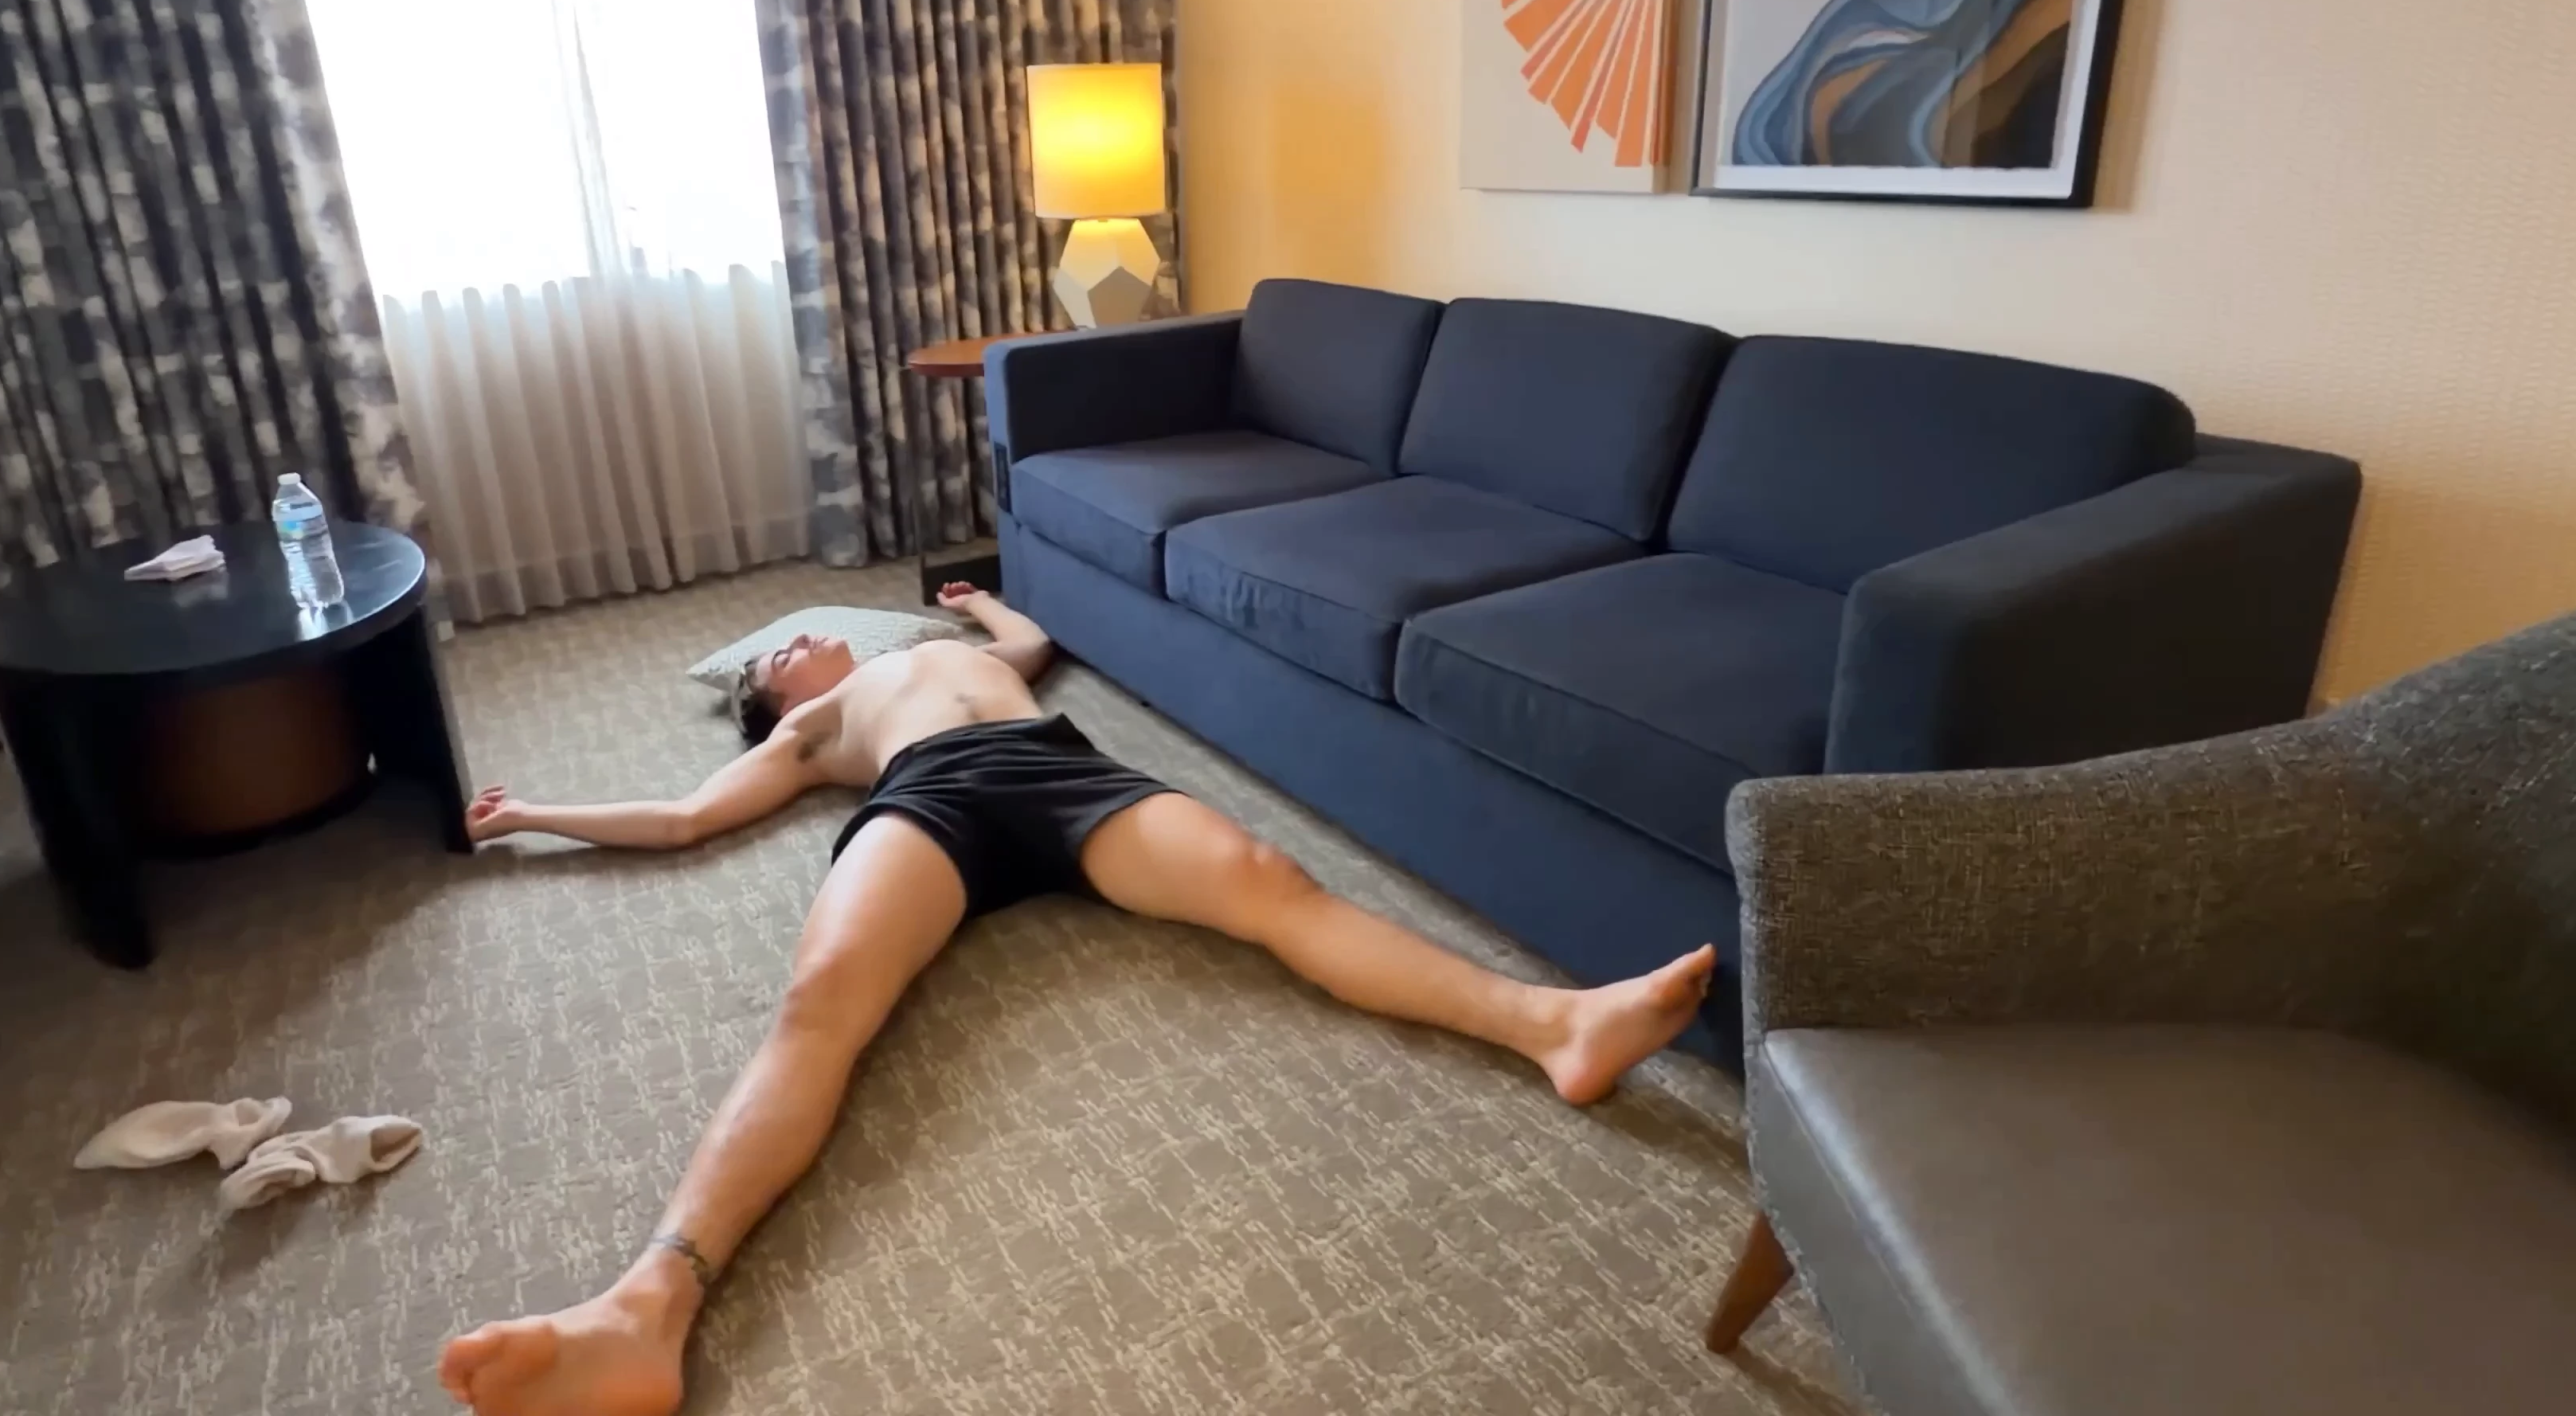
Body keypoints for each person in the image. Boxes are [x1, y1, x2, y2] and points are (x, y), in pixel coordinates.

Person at [437, 583, 1717, 1416]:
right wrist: (533, 812)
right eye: (771, 659)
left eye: (791, 636)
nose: (789, 643)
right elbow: (682, 819)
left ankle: (1555, 1025)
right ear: (775, 698)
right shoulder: (809, 729)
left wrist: (977, 605)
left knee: (1269, 880)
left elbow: (1030, 650)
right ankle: (647, 1303)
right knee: (823, 999)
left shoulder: (934, 650)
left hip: (1056, 769)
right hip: (931, 799)